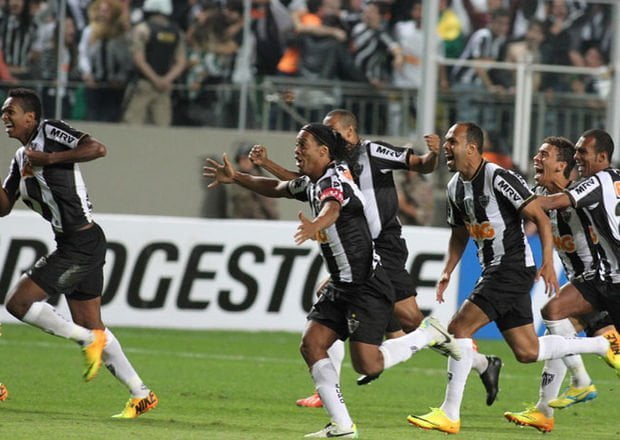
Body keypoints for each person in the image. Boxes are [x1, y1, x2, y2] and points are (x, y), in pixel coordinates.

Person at [204, 122, 461, 438]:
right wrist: (237, 178)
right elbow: (277, 187)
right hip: (342, 284)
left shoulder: (334, 177)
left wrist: (316, 224)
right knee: (312, 344)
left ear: (323, 151)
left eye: (303, 145)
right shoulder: (312, 181)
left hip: (367, 283)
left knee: (367, 365)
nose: (297, 151)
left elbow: (333, 207)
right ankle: (342, 425)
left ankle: (427, 334)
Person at [250, 109, 502, 409]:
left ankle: (478, 361)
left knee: (409, 321)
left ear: (350, 131)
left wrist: (433, 155)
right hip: (359, 247)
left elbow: (420, 165)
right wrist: (266, 165)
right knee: (361, 309)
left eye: (334, 133)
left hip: (383, 246)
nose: (329, 139)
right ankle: (335, 383)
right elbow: (303, 183)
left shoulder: (373, 151)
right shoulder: (334, 164)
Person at [406, 122, 619, 434]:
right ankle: (567, 387)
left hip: (567, 275)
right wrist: (449, 268)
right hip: (573, 279)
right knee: (528, 350)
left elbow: (543, 212)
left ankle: (450, 414)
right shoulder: (457, 187)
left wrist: (544, 255)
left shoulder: (574, 193)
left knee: (463, 328)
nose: (535, 159)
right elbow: (462, 230)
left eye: (543, 155)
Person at [0, 88, 158, 419]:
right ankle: (141, 394)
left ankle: (87, 340)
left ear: (30, 117)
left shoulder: (50, 132)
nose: (4, 118)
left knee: (18, 302)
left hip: (81, 243)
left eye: (9, 112)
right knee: (91, 322)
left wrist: (50, 159)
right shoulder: (19, 160)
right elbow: (4, 207)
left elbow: (97, 148)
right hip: (74, 242)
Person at [504, 136, 619, 432]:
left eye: (545, 155)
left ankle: (577, 385)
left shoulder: (580, 194)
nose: (537, 159)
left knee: (554, 314)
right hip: (586, 282)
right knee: (564, 336)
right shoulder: (542, 192)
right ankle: (548, 408)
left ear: (562, 165)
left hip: (598, 279)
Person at [123, 0, 186, 126]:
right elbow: (181, 62)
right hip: (165, 88)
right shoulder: (177, 32)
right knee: (162, 127)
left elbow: (139, 60)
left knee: (133, 125)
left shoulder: (142, 29)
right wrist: (166, 80)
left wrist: (155, 80)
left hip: (144, 84)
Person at [229, 143, 279, 219]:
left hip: (260, 221)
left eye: (248, 159)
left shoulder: (262, 178)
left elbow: (269, 205)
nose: (245, 162)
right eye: (242, 159)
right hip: (240, 221)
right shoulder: (234, 179)